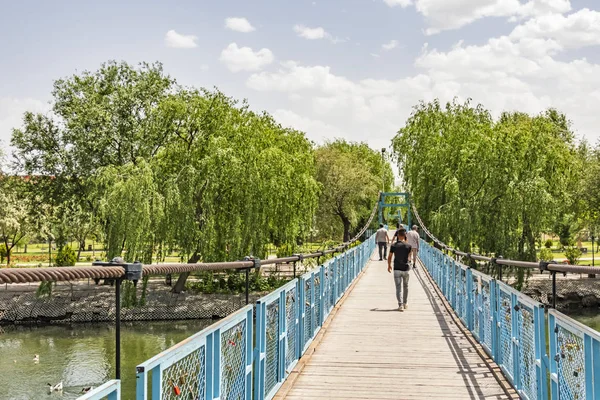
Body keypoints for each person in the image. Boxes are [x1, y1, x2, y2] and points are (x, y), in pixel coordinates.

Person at [388, 228, 412, 311]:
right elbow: (409, 258)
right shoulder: (409, 246)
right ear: (405, 235)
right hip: (405, 269)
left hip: (397, 269)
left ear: (397, 235)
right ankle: (405, 303)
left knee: (398, 288)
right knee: (406, 286)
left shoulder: (394, 245)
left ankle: (400, 305)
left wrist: (389, 265)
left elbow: (390, 256)